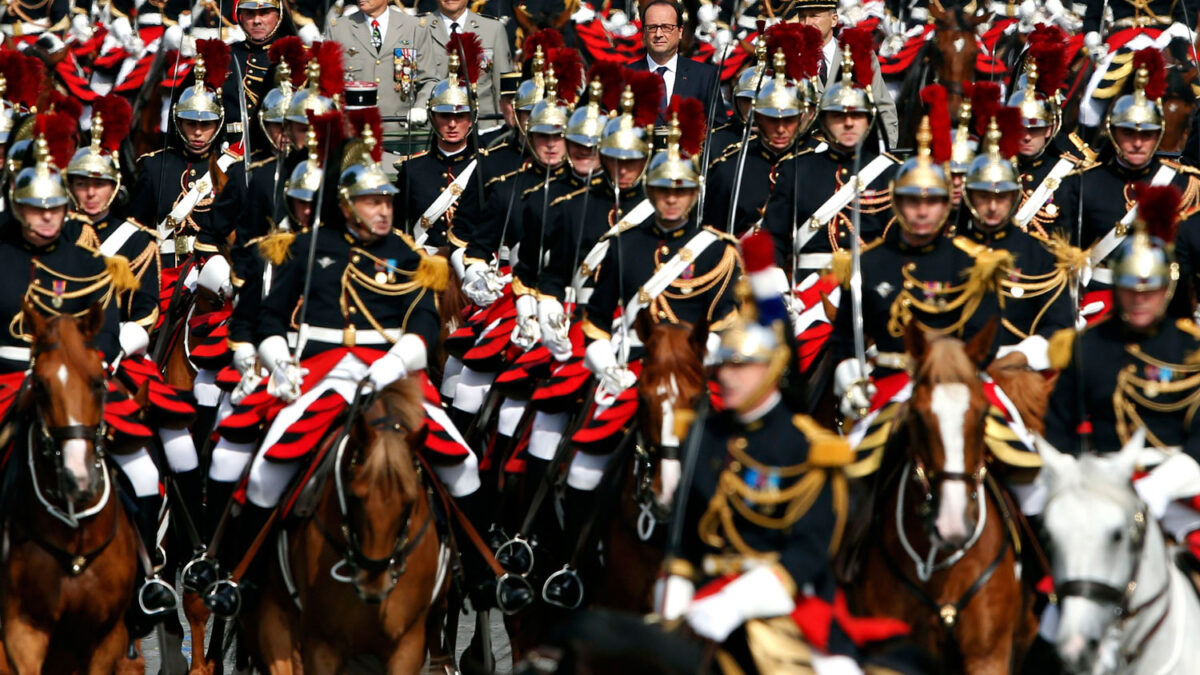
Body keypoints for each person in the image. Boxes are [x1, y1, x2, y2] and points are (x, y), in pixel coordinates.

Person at [657, 231, 877, 674]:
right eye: (725, 367)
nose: (730, 378)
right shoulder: (704, 436)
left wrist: (737, 601)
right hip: (704, 597)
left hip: (787, 603)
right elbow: (681, 542)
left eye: (743, 367)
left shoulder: (808, 447)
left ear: (771, 368)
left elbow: (809, 553)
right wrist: (674, 600)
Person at [0, 131, 177, 620]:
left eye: (55, 208)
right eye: (37, 210)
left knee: (143, 471)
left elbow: (110, 330)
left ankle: (146, 580)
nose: (48, 218)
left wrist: (92, 368)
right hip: (7, 375)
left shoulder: (90, 262)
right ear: (18, 208)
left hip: (75, 383)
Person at [1045, 184, 1200, 550]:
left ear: (1166, 290)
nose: (1140, 301)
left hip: (1177, 486)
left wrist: (1160, 485)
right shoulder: (1087, 345)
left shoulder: (1191, 348)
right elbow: (1059, 426)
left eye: (1149, 291)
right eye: (1131, 290)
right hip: (1101, 489)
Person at [830, 115, 1003, 420]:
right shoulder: (865, 263)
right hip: (886, 385)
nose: (922, 212)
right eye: (912, 201)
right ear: (896, 201)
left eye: (932, 201)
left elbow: (984, 339)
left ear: (947, 203)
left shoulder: (973, 263)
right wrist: (850, 376)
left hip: (955, 387)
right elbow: (845, 337)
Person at [1057, 48, 1200, 318]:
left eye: (1146, 134)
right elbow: (1062, 258)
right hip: (1100, 303)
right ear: (1113, 133)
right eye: (1128, 133)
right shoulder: (1082, 184)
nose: (1137, 143)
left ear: (1158, 135)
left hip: (1165, 303)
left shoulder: (1184, 184)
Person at [763, 28, 900, 282]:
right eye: (839, 116)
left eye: (856, 116)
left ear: (869, 121)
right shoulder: (795, 171)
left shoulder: (890, 174)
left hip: (872, 287)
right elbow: (773, 240)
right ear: (824, 121)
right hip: (810, 292)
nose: (848, 124)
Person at [705, 45, 819, 236]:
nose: (781, 128)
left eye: (788, 119)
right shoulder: (729, 165)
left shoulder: (816, 162)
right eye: (772, 118)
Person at [393, 41, 485, 249]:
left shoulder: (483, 168)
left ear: (472, 119)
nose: (452, 124)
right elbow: (398, 226)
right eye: (444, 116)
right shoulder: (413, 169)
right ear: (433, 118)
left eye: (460, 116)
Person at [795, 0, 899, 148]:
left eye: (814, 16)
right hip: (804, 157)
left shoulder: (859, 55)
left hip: (852, 155)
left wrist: (885, 150)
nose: (807, 23)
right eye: (802, 17)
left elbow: (883, 107)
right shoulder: (790, 58)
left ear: (834, 20)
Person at [325, 0, 438, 131]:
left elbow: (429, 78)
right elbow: (327, 83)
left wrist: (420, 107)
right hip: (355, 131)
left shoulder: (414, 27)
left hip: (401, 131)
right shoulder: (338, 29)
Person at [421, 0, 513, 134]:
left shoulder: (493, 29)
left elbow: (501, 87)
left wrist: (502, 128)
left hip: (483, 127)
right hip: (433, 128)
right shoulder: (418, 27)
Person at [626, 0, 725, 121]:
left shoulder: (704, 76)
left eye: (666, 27)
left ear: (680, 32)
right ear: (644, 33)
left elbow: (719, 128)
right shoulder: (626, 77)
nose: (658, 34)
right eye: (652, 27)